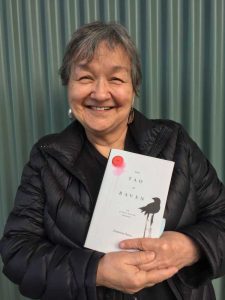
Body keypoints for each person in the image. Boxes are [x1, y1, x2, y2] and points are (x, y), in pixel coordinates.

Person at [1, 21, 225, 300]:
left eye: (116, 79)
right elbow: (17, 252)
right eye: (85, 78)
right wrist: (97, 271)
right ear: (67, 86)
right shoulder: (47, 159)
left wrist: (190, 247)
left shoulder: (175, 143)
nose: (99, 93)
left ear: (134, 88)